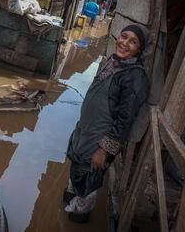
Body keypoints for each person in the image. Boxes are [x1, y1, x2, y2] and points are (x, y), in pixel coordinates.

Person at [64, 24, 150, 223]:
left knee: (89, 181)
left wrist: (104, 150)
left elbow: (125, 121)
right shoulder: (114, 62)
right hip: (85, 131)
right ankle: (71, 199)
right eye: (124, 36)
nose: (125, 43)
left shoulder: (135, 77)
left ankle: (79, 217)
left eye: (133, 42)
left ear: (140, 49)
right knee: (77, 169)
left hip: (99, 141)